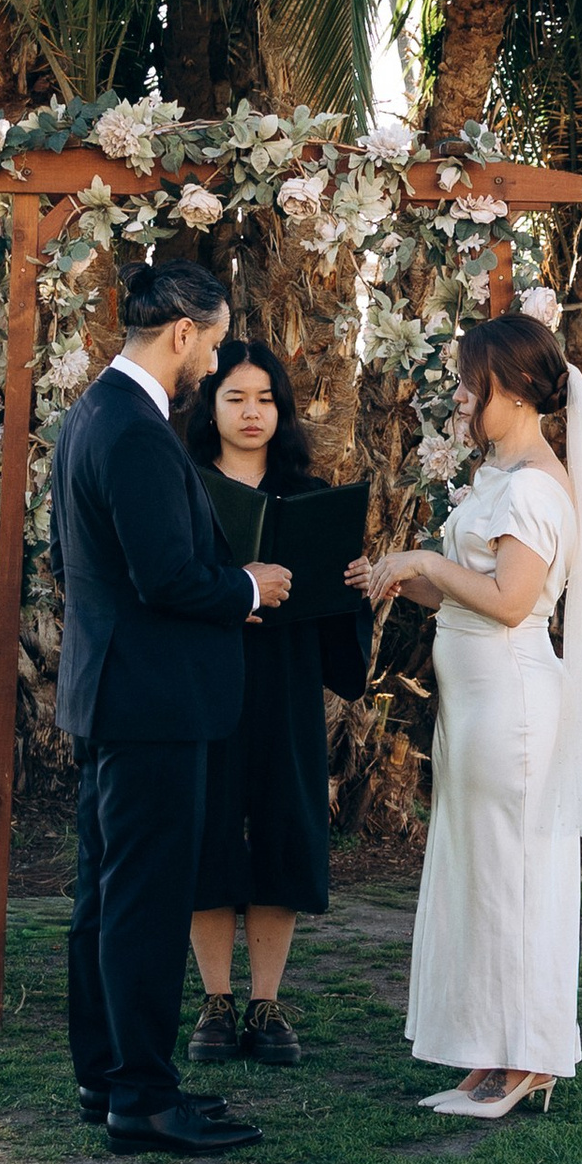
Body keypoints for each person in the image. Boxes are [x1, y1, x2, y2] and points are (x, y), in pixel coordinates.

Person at [354, 311, 582, 1120]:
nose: (462, 398)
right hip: (475, 704)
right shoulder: (498, 479)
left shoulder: (540, 489)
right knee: (482, 879)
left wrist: (427, 559)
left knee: (516, 880)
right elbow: (464, 590)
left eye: (473, 385)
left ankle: (529, 1058)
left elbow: (514, 603)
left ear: (512, 390)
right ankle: (491, 1052)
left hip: (512, 707)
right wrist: (393, 576)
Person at [50, 258, 292, 1157]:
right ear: (183, 333)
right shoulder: (136, 431)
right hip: (152, 703)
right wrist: (249, 586)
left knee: (105, 899)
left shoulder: (89, 419)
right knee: (143, 903)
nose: (217, 360)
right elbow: (167, 578)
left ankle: (106, 1074)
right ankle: (145, 1097)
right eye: (217, 342)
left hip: (111, 694)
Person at [178, 338, 371, 1068]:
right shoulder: (186, 489)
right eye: (235, 398)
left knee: (284, 830)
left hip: (286, 679)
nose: (252, 412)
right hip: (210, 678)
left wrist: (349, 581)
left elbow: (333, 607)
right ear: (211, 407)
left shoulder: (308, 491)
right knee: (209, 831)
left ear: (281, 409)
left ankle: (266, 1000)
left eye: (265, 399)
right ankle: (216, 1001)